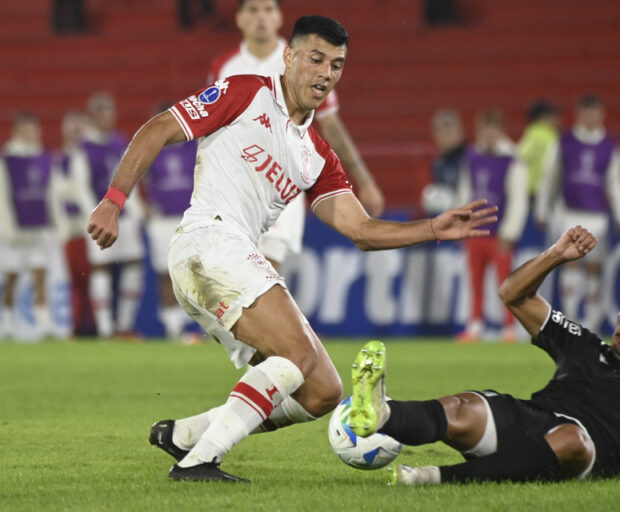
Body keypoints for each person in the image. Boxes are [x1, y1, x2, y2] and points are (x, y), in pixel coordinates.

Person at [87, 15, 497, 482]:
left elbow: (360, 230)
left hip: (224, 263)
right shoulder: (244, 91)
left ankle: (186, 435)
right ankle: (198, 464)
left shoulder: (317, 155)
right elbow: (160, 127)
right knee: (299, 358)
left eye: (337, 65)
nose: (325, 73)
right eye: (316, 59)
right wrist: (113, 201)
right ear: (289, 56)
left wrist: (432, 229)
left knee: (322, 390)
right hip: (209, 239)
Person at [347, 226, 620, 486]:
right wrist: (555, 256)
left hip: (582, 451)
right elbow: (512, 294)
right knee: (467, 406)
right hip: (531, 423)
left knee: (571, 439)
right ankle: (382, 414)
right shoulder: (584, 345)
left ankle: (432, 479)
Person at [208, 0, 385, 273]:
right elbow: (213, 126)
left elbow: (332, 127)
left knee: (264, 273)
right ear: (240, 18)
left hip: (282, 183)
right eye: (253, 10)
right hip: (236, 187)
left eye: (268, 9)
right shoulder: (224, 66)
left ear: (279, 17)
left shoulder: (303, 57)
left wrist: (365, 181)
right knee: (230, 280)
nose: (261, 17)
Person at [535, 94, 620, 333]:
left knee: (594, 268)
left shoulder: (610, 145)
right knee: (570, 265)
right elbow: (550, 177)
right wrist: (542, 209)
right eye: (586, 112)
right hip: (569, 212)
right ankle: (571, 321)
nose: (590, 117)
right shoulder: (565, 142)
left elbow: (615, 182)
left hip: (596, 215)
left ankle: (593, 325)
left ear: (601, 115)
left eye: (594, 112)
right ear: (578, 114)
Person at [74, 92, 145, 338]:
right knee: (100, 267)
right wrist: (93, 215)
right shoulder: (83, 147)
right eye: (103, 112)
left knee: (133, 263)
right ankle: (105, 329)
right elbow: (80, 187)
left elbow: (130, 177)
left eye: (110, 112)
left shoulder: (120, 142)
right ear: (93, 116)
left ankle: (124, 325)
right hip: (100, 217)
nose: (108, 117)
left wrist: (135, 211)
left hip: (123, 215)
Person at [455, 108, 528, 343]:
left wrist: (510, 231)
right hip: (476, 229)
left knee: (506, 283)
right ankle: (475, 325)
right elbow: (465, 192)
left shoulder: (512, 159)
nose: (487, 136)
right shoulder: (472, 157)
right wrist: (460, 223)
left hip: (499, 232)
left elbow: (518, 199)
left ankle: (509, 328)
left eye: (492, 131)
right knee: (475, 281)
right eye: (483, 131)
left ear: (500, 132)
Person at [0, 112, 59, 339]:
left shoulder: (44, 158)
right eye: (26, 130)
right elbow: (3, 195)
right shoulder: (8, 159)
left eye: (33, 130)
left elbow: (51, 193)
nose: (31, 134)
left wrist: (55, 225)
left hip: (39, 226)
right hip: (15, 230)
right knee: (12, 278)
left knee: (40, 276)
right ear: (16, 132)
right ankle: (6, 324)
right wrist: (8, 228)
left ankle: (44, 326)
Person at [141, 105, 197, 340]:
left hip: (190, 218)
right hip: (162, 220)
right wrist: (143, 207)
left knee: (197, 272)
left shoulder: (194, 144)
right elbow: (138, 177)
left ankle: (202, 326)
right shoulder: (152, 147)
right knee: (166, 274)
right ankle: (173, 328)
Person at [51, 111, 96, 337]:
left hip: (92, 224)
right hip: (72, 227)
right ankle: (78, 326)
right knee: (78, 280)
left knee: (94, 279)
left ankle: (94, 326)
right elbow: (58, 193)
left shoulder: (89, 156)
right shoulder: (61, 159)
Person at [421, 108, 466, 215]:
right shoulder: (437, 164)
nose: (447, 136)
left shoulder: (470, 159)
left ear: (460, 132)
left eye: (450, 131)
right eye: (442, 132)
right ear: (435, 135)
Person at [518, 99, 559, 205]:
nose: (557, 120)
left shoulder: (529, 134)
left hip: (526, 189)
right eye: (553, 116)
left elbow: (520, 157)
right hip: (542, 191)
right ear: (543, 117)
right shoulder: (552, 137)